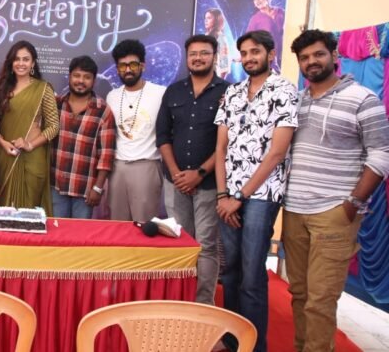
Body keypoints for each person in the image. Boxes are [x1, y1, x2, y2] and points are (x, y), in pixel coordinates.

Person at [283, 30, 389, 352]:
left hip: (334, 212)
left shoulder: (363, 99)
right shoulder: (295, 102)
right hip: (294, 211)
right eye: (304, 58)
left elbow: (382, 153)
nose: (311, 62)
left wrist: (354, 201)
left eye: (318, 54)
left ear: (334, 55)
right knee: (299, 293)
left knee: (320, 300)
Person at [214, 30, 298, 352]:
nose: (249, 58)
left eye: (255, 51)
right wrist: (223, 196)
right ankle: (232, 340)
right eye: (245, 53)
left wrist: (239, 197)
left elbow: (277, 153)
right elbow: (220, 148)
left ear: (270, 54)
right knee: (230, 271)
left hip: (261, 195)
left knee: (251, 275)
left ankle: (253, 346)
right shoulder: (233, 92)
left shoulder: (284, 91)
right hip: (228, 196)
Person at [156, 34, 229, 305]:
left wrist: (199, 173)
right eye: (193, 54)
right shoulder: (173, 91)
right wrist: (177, 174)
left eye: (204, 53)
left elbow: (228, 142)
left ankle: (203, 304)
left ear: (214, 56)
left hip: (208, 183)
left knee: (206, 244)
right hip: (175, 181)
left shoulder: (228, 92)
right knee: (180, 242)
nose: (198, 58)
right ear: (187, 58)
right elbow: (163, 136)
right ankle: (180, 301)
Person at [0, 40, 59, 214]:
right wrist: (2, 142)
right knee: (3, 211)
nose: (21, 63)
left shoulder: (43, 89)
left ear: (33, 63)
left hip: (32, 157)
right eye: (17, 59)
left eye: (26, 59)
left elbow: (53, 126)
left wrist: (30, 145)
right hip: (4, 155)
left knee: (28, 213)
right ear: (11, 62)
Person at [105, 39, 166, 222]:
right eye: (122, 66)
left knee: (144, 224)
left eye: (132, 64)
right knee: (117, 224)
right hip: (117, 167)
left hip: (147, 165)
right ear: (117, 69)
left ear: (142, 66)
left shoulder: (161, 93)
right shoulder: (112, 96)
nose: (128, 70)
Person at [50, 55, 116, 219]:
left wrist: (98, 188)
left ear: (94, 81)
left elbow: (106, 156)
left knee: (81, 233)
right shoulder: (56, 105)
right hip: (55, 186)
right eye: (77, 76)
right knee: (57, 230)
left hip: (85, 189)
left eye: (87, 77)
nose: (81, 81)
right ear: (69, 77)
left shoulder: (103, 111)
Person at [246, 0, 285, 72]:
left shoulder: (280, 12)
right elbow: (248, 38)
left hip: (284, 53)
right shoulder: (255, 19)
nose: (257, 1)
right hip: (267, 56)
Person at [203, 8, 230, 79]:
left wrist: (219, 83)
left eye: (209, 18)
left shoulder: (220, 38)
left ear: (217, 20)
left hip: (213, 77)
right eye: (205, 18)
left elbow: (225, 65)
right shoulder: (205, 36)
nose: (206, 20)